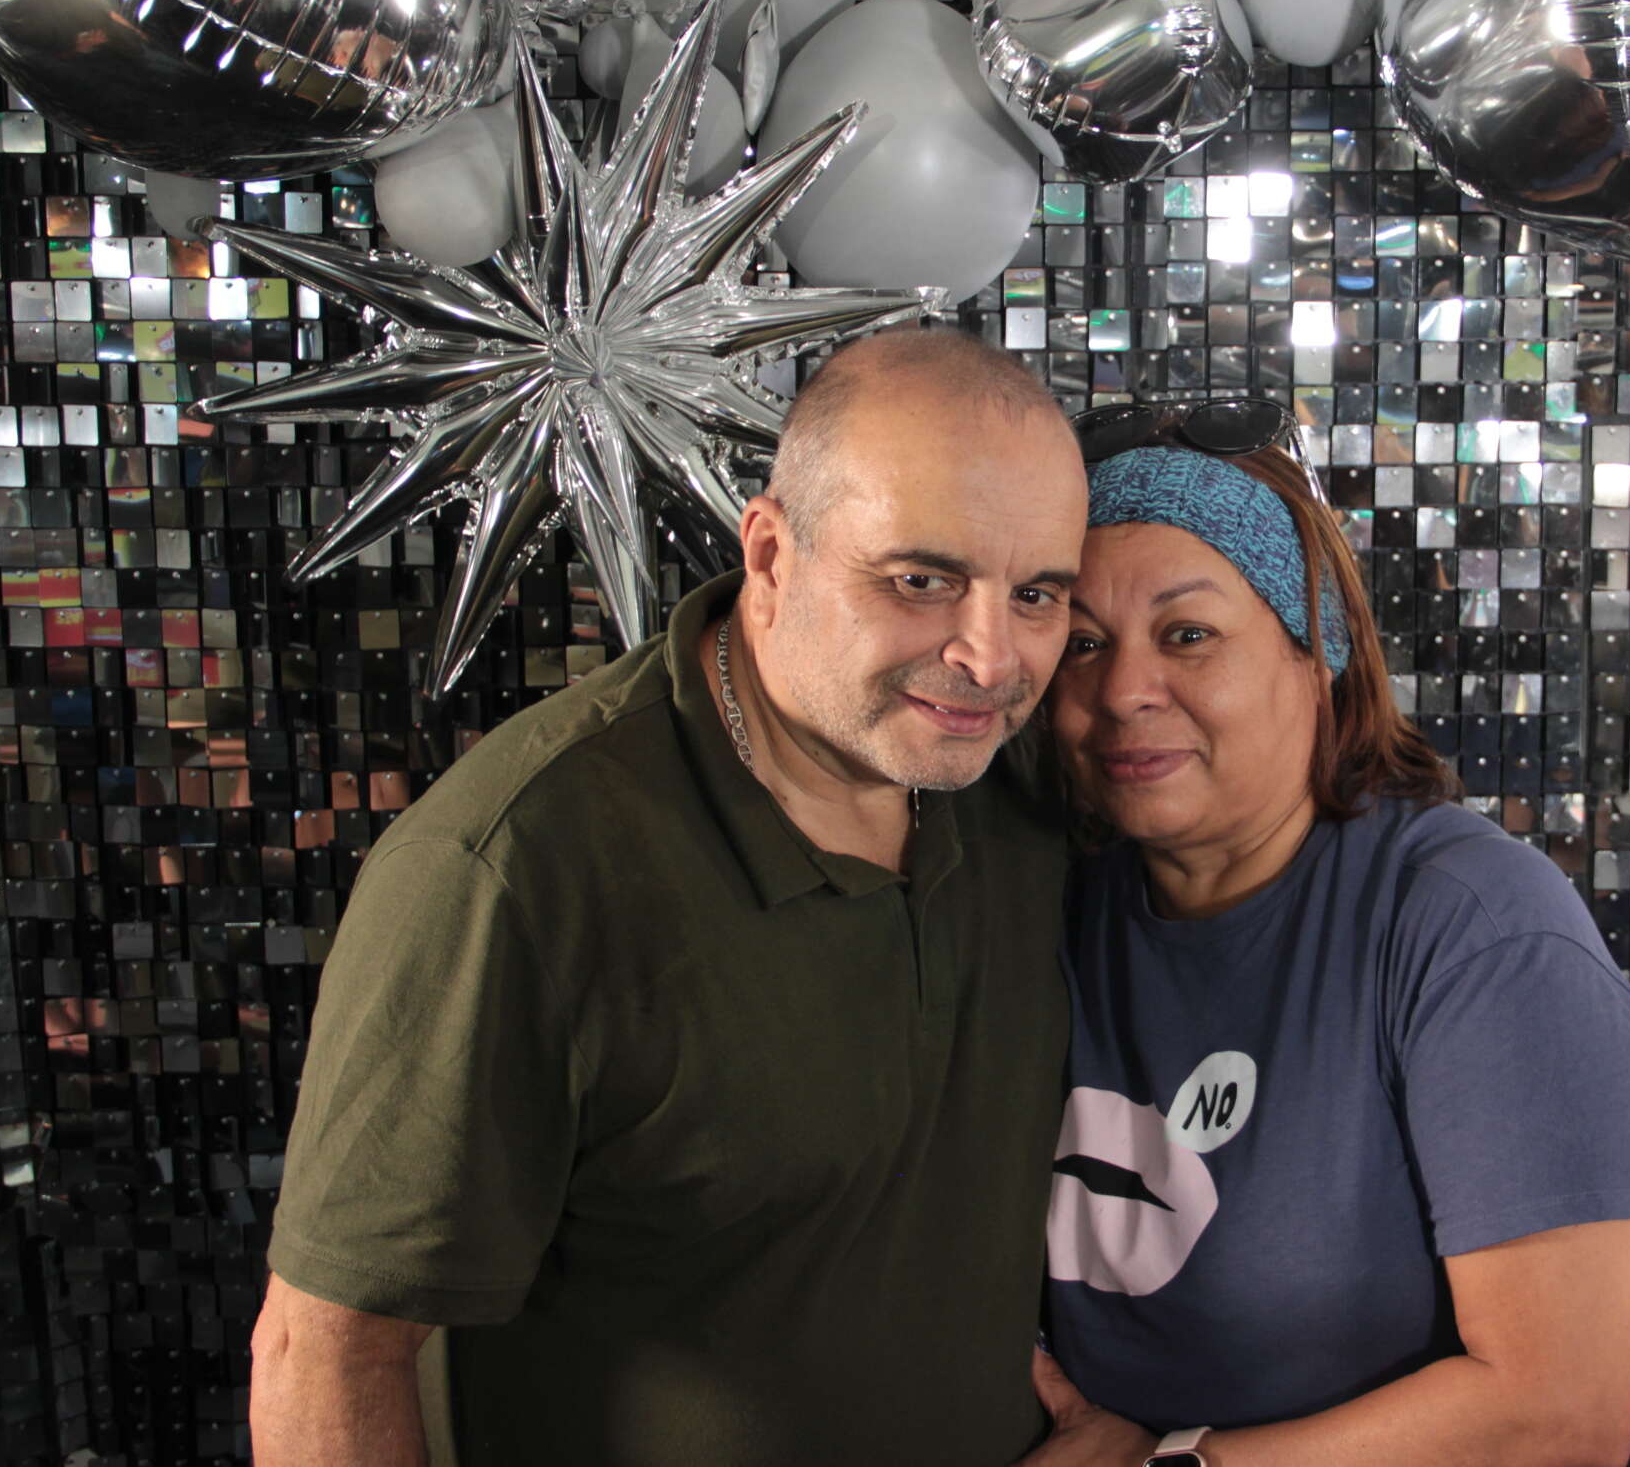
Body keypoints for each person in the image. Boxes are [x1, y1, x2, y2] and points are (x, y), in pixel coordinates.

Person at [248, 327, 1092, 1467]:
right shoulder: (516, 867)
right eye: (920, 581)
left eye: (1035, 594)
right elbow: (324, 1353)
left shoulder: (1019, 789)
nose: (991, 657)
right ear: (772, 554)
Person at [1027, 408, 1630, 1467]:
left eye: (1188, 635)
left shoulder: (1475, 932)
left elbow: (1559, 1417)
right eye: (1083, 644)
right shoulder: (1052, 905)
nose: (1121, 693)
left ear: (1317, 650)